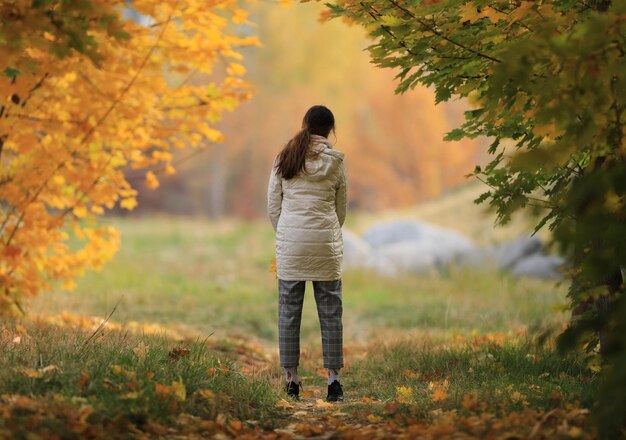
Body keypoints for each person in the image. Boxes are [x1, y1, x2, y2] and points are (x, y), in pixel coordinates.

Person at [267, 105, 347, 402]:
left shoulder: (284, 158)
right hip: (325, 245)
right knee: (331, 314)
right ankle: (334, 383)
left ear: (305, 125)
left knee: (288, 313)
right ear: (330, 130)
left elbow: (273, 207)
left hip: (292, 245)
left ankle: (291, 381)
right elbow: (341, 210)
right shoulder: (336, 163)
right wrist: (326, 233)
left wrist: (289, 234)